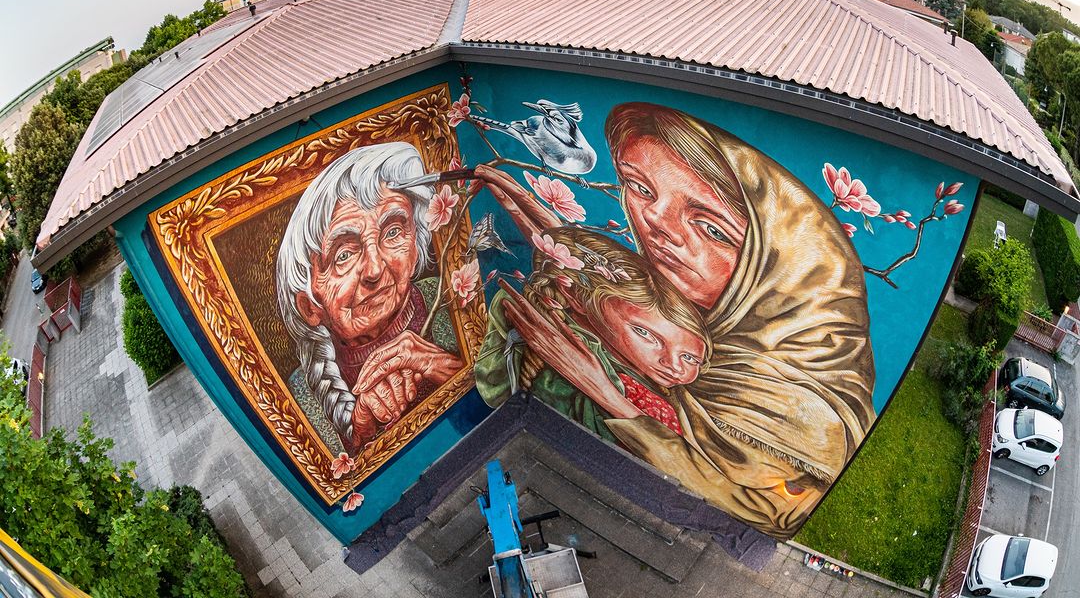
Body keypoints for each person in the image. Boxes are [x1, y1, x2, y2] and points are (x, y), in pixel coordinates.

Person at [474, 102, 876, 538]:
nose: (655, 224)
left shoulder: (799, 405)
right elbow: (608, 293)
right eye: (640, 188)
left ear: (774, 273)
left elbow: (774, 514)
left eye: (712, 228)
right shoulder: (665, 303)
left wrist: (605, 394)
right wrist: (559, 243)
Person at [276, 142, 462, 454]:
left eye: (393, 232)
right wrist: (362, 432)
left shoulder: (451, 297)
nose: (374, 269)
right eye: (344, 255)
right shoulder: (302, 394)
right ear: (310, 307)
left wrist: (442, 366)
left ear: (416, 243)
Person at [475, 226, 711, 440]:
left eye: (690, 358)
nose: (674, 366)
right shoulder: (592, 378)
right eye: (645, 334)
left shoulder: (648, 384)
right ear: (575, 297)